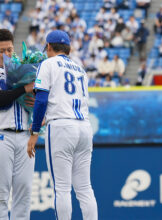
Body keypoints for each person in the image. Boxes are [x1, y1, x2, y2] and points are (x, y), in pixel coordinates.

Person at [27, 30, 98, 220]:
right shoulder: (80, 68)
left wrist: (35, 130)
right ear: (69, 48)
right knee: (84, 188)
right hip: (84, 126)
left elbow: (41, 101)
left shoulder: (48, 63)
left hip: (61, 128)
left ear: (49, 47)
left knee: (62, 188)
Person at [0, 29, 35, 219]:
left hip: (25, 137)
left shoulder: (24, 69)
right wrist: (24, 88)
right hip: (2, 136)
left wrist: (35, 95)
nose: (6, 54)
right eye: (2, 50)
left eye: (9, 49)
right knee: (1, 195)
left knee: (24, 193)